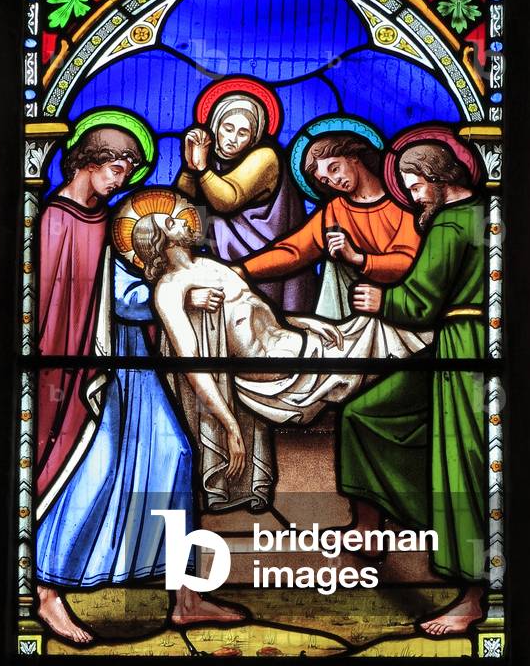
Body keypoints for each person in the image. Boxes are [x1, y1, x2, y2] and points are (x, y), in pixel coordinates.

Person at [35, 116, 243, 644]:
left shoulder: (108, 219)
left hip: (129, 365)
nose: (122, 178)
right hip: (82, 369)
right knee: (89, 470)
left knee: (173, 454)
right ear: (87, 160)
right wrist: (168, 298)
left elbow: (126, 291)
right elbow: (75, 301)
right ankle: (47, 593)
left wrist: (170, 291)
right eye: (115, 167)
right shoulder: (52, 220)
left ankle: (187, 597)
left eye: (128, 169)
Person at [111, 188, 431, 512]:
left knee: (379, 332)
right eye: (171, 221)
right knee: (387, 337)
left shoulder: (210, 265)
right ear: (160, 240)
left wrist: (306, 322)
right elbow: (193, 365)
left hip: (295, 345)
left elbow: (257, 313)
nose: (182, 220)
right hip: (280, 371)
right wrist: (228, 424)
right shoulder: (169, 289)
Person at [344, 132, 487, 637]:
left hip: (464, 350)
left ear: (437, 175)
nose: (412, 194)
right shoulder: (482, 214)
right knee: (366, 413)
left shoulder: (451, 223)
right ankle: (372, 525)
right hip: (460, 344)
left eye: (413, 183)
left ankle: (473, 599)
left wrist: (381, 301)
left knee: (466, 467)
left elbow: (424, 299)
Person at [240, 132, 421, 318]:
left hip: (406, 304)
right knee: (333, 261)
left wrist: (359, 259)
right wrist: (242, 270)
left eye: (334, 169)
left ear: (353, 156)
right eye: (325, 180)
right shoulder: (335, 210)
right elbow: (293, 252)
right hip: (354, 306)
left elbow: (411, 261)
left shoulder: (401, 201)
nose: (335, 182)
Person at [175, 86, 316, 312]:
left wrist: (201, 168)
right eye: (227, 128)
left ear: (254, 136)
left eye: (243, 133)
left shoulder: (266, 157)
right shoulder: (209, 164)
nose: (232, 139)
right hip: (223, 272)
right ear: (215, 126)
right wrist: (190, 169)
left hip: (266, 273)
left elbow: (228, 199)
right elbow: (185, 212)